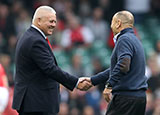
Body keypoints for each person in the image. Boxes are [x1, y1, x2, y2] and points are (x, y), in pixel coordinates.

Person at [12, 6, 92, 115]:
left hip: (36, 103)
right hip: (36, 104)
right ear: (39, 20)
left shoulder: (32, 37)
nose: (54, 25)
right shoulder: (35, 40)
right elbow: (50, 68)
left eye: (55, 21)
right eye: (51, 21)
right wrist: (75, 82)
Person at [83, 11, 148, 115]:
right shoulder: (135, 40)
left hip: (125, 98)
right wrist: (93, 80)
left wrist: (109, 86)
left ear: (118, 23)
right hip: (139, 98)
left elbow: (123, 65)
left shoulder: (124, 39)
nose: (111, 26)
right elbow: (116, 68)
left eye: (112, 23)